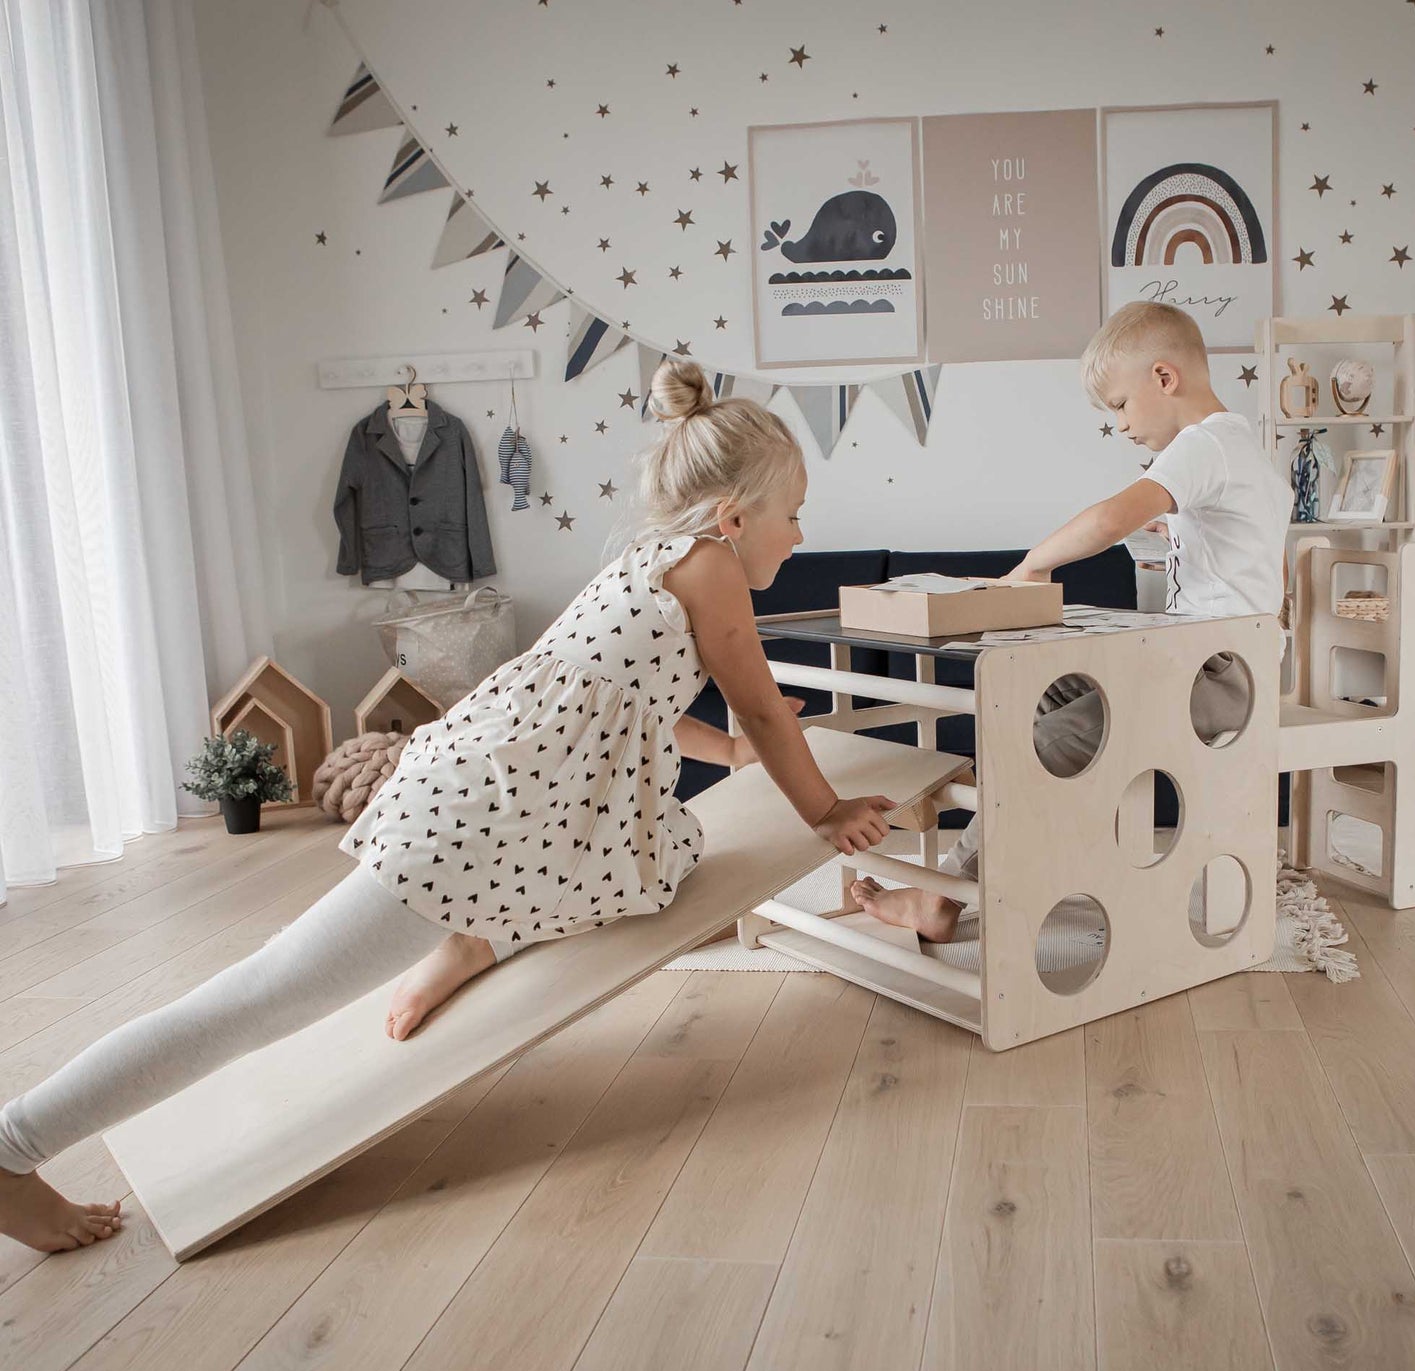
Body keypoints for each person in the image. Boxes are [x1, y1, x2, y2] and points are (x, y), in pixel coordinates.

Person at [0, 359, 895, 1253]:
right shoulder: (714, 572)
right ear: (735, 518)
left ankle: (475, 937)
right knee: (266, 995)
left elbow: (616, 706)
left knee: (664, 855)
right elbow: (765, 708)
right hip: (479, 822)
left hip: (497, 802)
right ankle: (13, 1145)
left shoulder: (651, 564)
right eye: (793, 513)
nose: (802, 532)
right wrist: (822, 810)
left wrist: (729, 752)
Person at [852, 299, 1292, 943]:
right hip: (1213, 663)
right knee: (1042, 691)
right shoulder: (1242, 447)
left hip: (1216, 675)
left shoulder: (1205, 446)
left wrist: (1028, 566)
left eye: (1118, 404)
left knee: (1046, 738)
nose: (1118, 425)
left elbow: (1109, 519)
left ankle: (943, 898)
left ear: (1163, 379)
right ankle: (1033, 852)